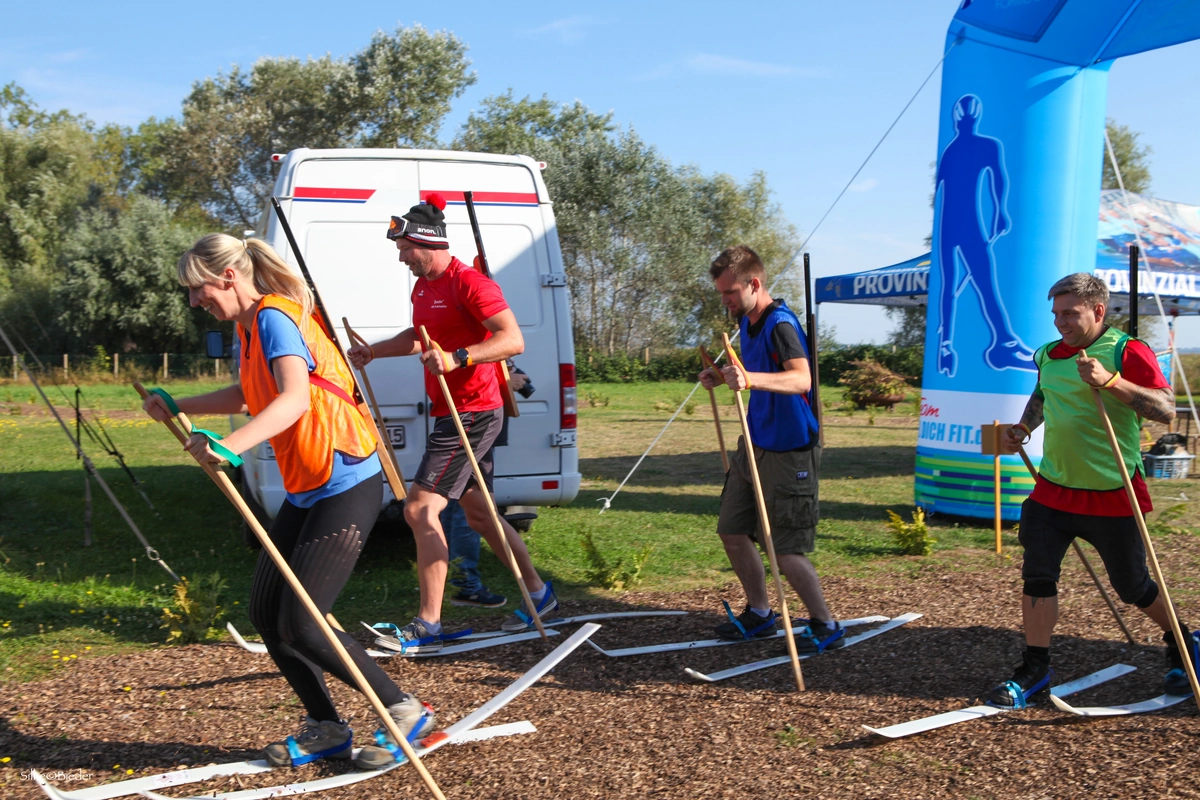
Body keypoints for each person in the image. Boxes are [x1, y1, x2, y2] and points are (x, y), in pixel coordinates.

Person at [141, 234, 433, 770]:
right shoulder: (247, 326)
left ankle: (404, 708)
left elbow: (296, 398)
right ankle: (327, 727)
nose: (193, 301)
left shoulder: (275, 317)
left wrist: (229, 446)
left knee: (302, 620)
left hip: (345, 478)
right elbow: (254, 395)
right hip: (308, 483)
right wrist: (176, 403)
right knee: (265, 612)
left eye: (198, 288)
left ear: (228, 276)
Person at [348, 194, 557, 652]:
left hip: (475, 411)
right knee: (480, 514)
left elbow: (512, 339)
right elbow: (419, 337)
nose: (401, 257)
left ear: (426, 242)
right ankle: (541, 594)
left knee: (420, 509)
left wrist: (459, 357)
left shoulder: (471, 284)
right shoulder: (423, 286)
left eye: (405, 248)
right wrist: (374, 351)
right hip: (450, 409)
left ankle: (428, 626)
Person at [989, 272, 1199, 706]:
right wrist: (1024, 427)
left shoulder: (1126, 350)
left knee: (1133, 586)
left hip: (1112, 488)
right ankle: (1034, 669)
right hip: (1052, 489)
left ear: (1097, 310)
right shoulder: (1048, 354)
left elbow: (1165, 410)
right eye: (1056, 314)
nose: (1060, 322)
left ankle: (1182, 643)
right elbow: (1043, 396)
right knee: (1038, 576)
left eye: (1070, 313)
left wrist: (1111, 382)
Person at [699, 245, 843, 652]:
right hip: (755, 442)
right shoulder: (748, 322)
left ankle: (826, 624)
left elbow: (801, 381)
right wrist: (720, 375)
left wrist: (749, 380)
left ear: (754, 283)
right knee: (732, 529)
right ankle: (761, 614)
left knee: (784, 549)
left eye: (729, 292)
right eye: (721, 293)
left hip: (790, 448)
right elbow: (750, 374)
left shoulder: (781, 323)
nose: (724, 300)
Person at [442, 364, 533, 609]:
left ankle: (455, 581)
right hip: (475, 423)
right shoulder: (480, 332)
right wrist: (506, 380)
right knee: (473, 509)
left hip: (471, 422)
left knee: (456, 505)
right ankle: (465, 586)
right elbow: (468, 376)